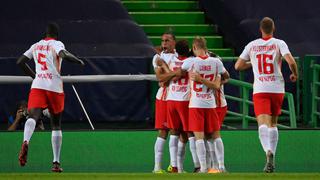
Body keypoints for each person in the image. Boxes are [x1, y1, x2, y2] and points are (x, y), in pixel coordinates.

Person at [16, 22, 85, 172]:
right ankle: (56, 163)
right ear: (56, 34)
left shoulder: (35, 45)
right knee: (56, 124)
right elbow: (63, 54)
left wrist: (35, 76)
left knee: (32, 117)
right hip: (54, 86)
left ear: (45, 34)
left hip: (38, 85)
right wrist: (77, 60)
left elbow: (20, 61)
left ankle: (26, 140)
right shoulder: (56, 43)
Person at [235, 17, 298, 173]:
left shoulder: (252, 45)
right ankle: (273, 157)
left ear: (260, 29)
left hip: (261, 88)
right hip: (277, 88)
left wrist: (253, 63)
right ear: (273, 28)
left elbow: (238, 65)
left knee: (262, 124)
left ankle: (267, 152)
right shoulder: (279, 43)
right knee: (273, 124)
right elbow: (291, 61)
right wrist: (295, 74)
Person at [178, 36, 224, 173]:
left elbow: (180, 72)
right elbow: (217, 85)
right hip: (210, 104)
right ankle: (220, 166)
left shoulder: (190, 63)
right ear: (206, 47)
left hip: (196, 104)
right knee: (215, 136)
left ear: (194, 48)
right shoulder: (216, 62)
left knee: (199, 137)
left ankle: (203, 167)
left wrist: (199, 79)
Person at [152, 32, 177, 173]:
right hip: (163, 97)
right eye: (162, 41)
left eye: (167, 40)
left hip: (176, 97)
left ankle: (174, 166)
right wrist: (175, 73)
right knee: (163, 131)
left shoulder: (179, 55)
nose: (164, 43)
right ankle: (157, 167)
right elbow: (160, 79)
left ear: (174, 41)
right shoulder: (158, 57)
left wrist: (168, 73)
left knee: (176, 131)